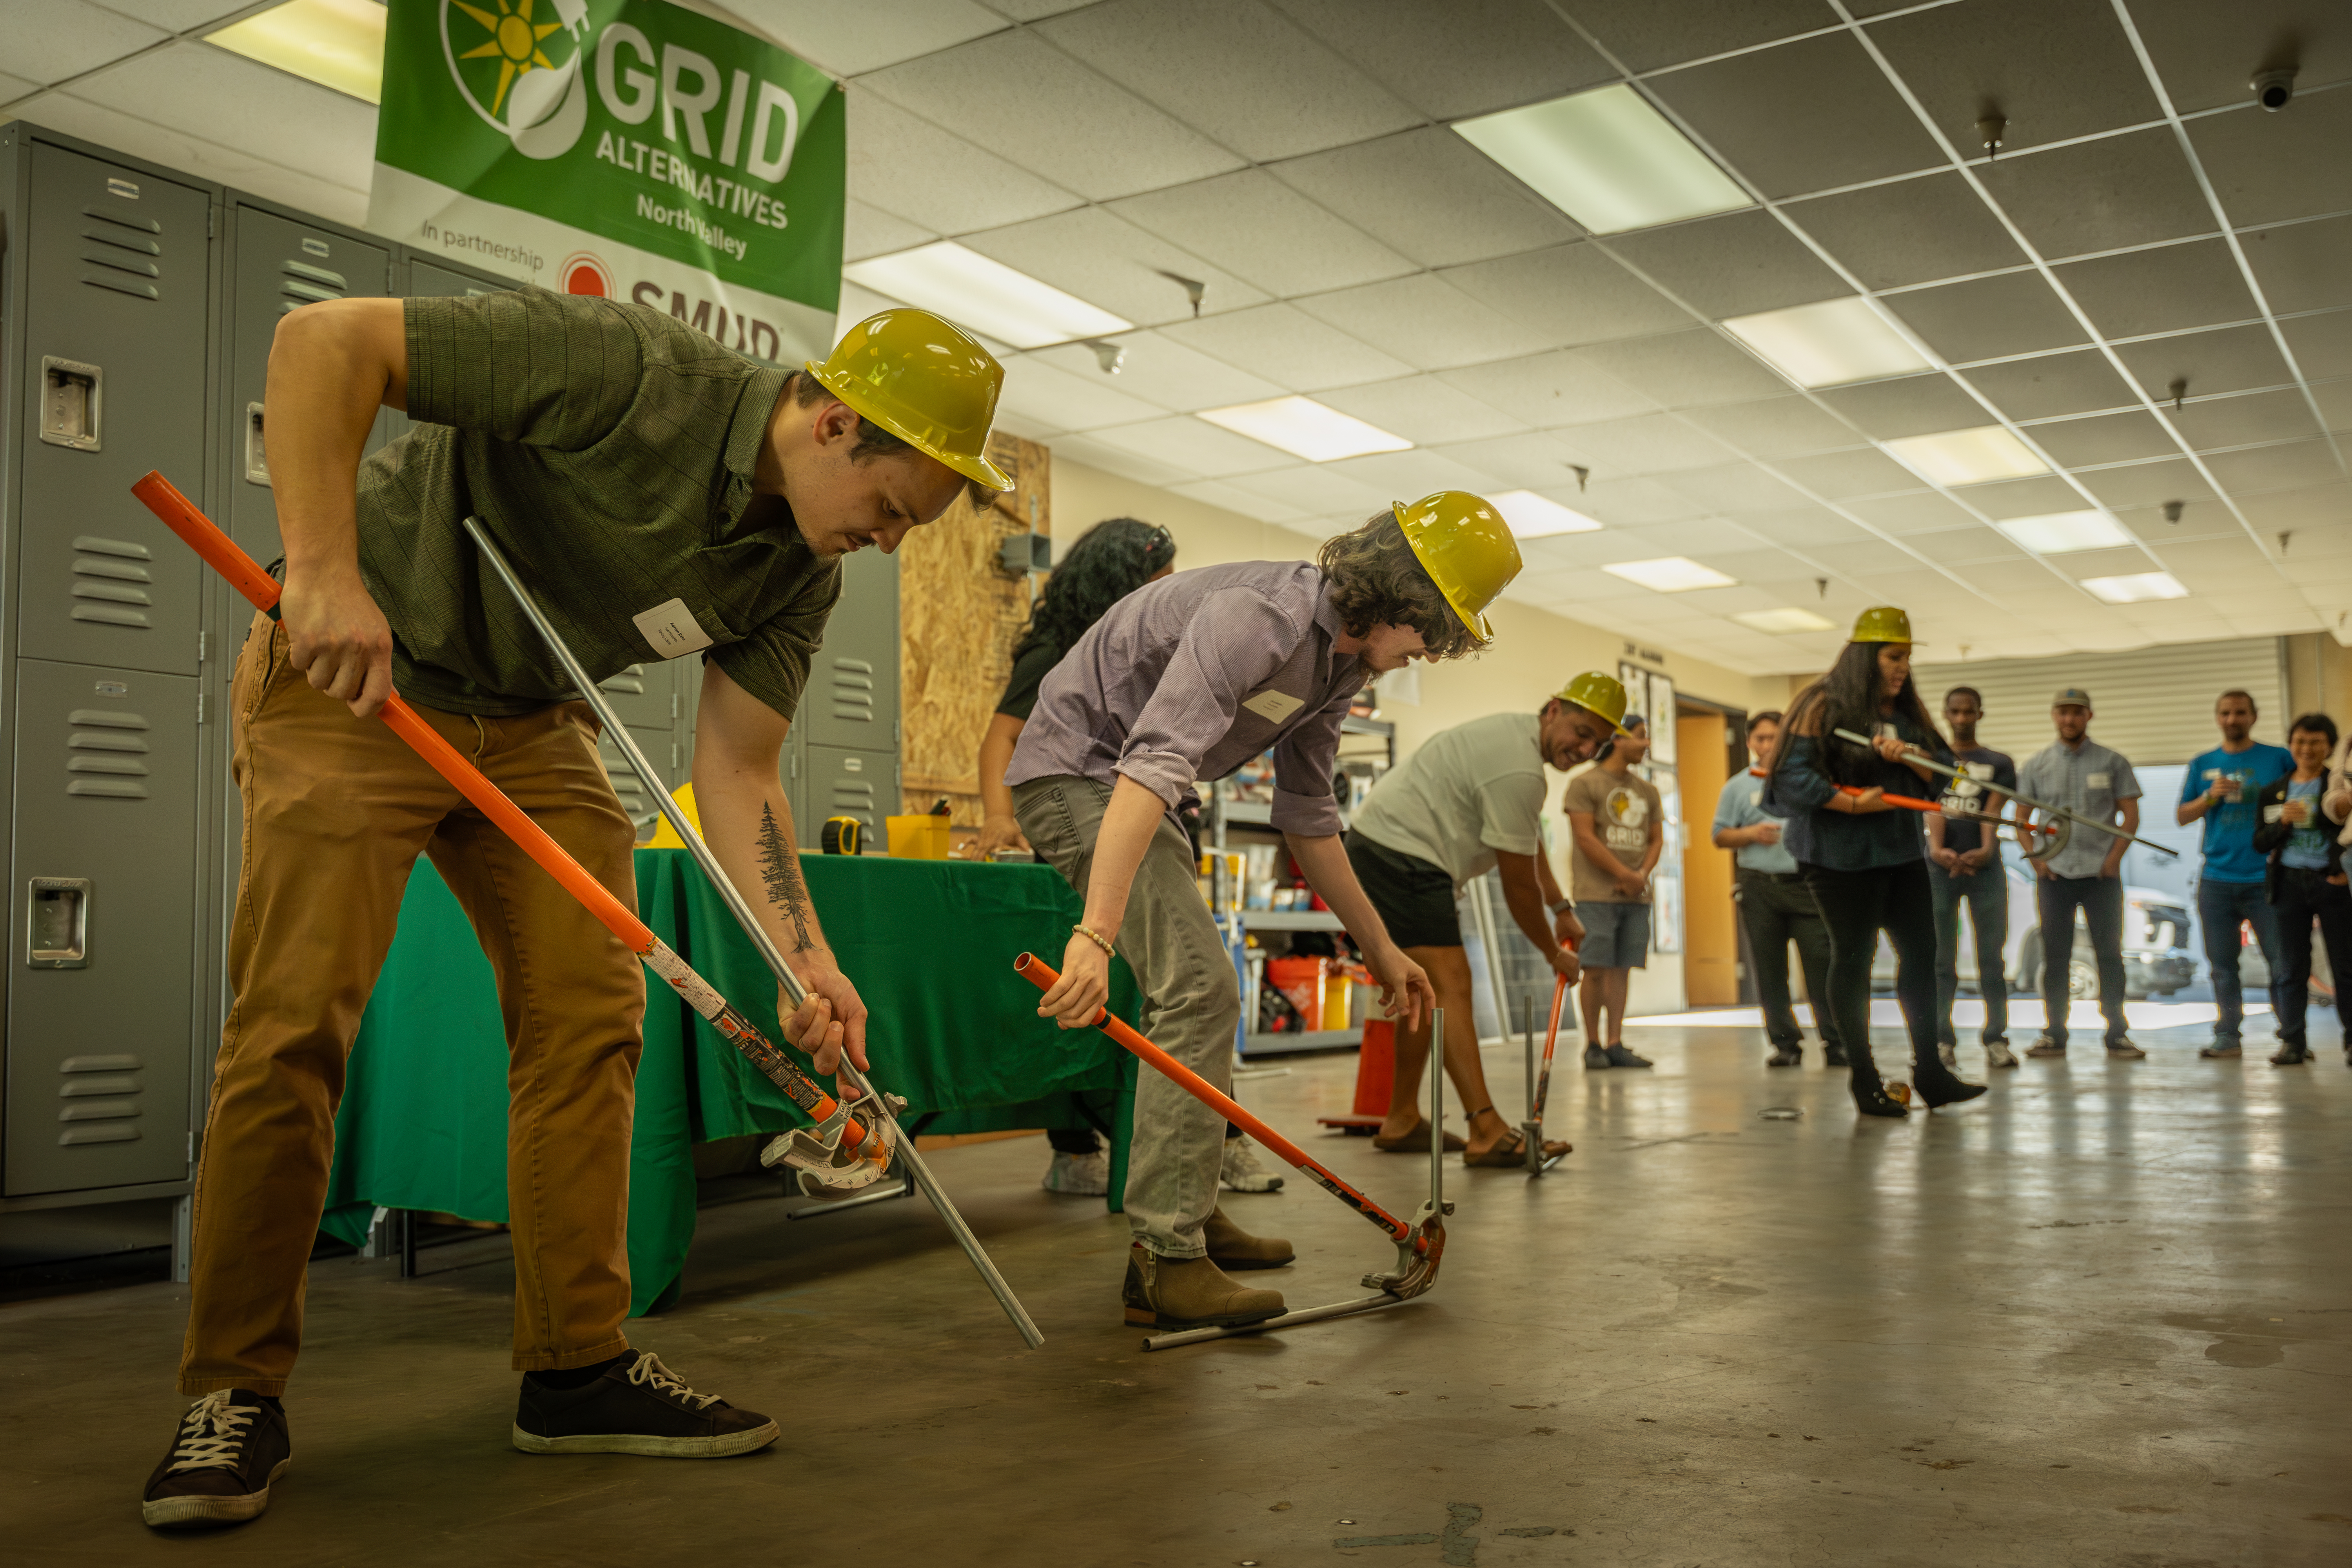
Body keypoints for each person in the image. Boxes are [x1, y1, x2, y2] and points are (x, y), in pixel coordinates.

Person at [141, 293, 1009, 1529]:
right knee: (296, 1022)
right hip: (360, 670)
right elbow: (320, 343)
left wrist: (801, 961)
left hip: (528, 719)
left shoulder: (795, 571)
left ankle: (574, 1366)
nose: (884, 542)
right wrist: (323, 574)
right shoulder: (630, 371)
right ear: (832, 425)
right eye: (888, 510)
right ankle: (230, 1387)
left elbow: (742, 770)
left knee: (593, 1016)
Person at [1013, 492, 1518, 1332]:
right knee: (1202, 986)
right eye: (1435, 629)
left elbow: (1309, 815)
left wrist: (1383, 949)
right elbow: (1153, 763)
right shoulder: (1261, 619)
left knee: (1207, 993)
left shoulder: (1342, 666)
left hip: (1130, 787)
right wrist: (1094, 934)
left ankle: (1191, 1208)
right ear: (1406, 598)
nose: (1429, 649)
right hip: (1081, 775)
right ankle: (1165, 1260)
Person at [969, 517, 1184, 1197]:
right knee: (1084, 994)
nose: (1169, 596)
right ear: (1119, 585)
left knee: (1162, 988)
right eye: (1158, 584)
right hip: (1077, 822)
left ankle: (1181, 1143)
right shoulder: (1060, 651)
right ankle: (1075, 1143)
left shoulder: (1138, 652)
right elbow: (1001, 738)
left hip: (1136, 817)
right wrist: (1000, 820)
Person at [1345, 672, 1626, 1162]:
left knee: (1419, 987)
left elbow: (1524, 839)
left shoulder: (1517, 744)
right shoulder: (1520, 769)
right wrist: (1551, 952)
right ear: (1554, 710)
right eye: (1582, 733)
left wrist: (1561, 908)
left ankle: (1403, 1117)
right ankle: (1486, 1128)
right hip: (1401, 853)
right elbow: (1518, 886)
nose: (1585, 749)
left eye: (1598, 745)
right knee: (1451, 980)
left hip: (1385, 847)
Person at [1764, 607, 1986, 1118]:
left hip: (1898, 851)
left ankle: (1931, 1071)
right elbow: (1789, 777)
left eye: (1907, 657)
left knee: (1923, 954)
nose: (1902, 667)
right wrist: (1850, 803)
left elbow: (1947, 776)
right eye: (1893, 656)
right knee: (1854, 957)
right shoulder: (1820, 705)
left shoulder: (1908, 714)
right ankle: (1864, 1082)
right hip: (1836, 857)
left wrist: (1909, 757)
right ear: (1865, 656)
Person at [1711, 710, 1845, 1068]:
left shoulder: (1807, 780)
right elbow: (1719, 835)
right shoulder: (1737, 786)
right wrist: (1750, 834)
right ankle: (1785, 1045)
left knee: (1821, 964)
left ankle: (1836, 1042)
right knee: (1770, 970)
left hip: (1806, 885)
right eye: (1760, 739)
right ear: (1750, 743)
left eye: (1775, 738)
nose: (1767, 745)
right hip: (1759, 889)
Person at [2018, 688, 2144, 1060]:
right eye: (2063, 713)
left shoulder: (2112, 762)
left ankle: (2117, 1033)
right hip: (2054, 875)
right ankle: (2054, 1032)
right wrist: (2038, 860)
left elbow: (2130, 818)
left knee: (2109, 955)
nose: (2069, 720)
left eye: (2077, 713)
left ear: (2089, 716)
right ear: (2054, 716)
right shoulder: (2036, 765)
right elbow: (2021, 821)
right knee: (2055, 956)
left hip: (2101, 876)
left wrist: (2114, 859)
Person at [2176, 690, 2292, 1060]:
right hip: (2216, 881)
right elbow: (2182, 816)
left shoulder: (2277, 758)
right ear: (2218, 718)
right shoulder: (2202, 764)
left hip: (2265, 879)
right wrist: (2210, 797)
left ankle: (2292, 1037)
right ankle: (2228, 1035)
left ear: (2253, 716)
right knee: (2223, 967)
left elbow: (2300, 798)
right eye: (2225, 713)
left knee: (2282, 963)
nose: (2232, 719)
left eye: (2240, 713)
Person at [1924, 686, 2020, 1071]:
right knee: (1941, 960)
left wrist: (1984, 851)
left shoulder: (1999, 761)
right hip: (1939, 868)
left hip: (1986, 870)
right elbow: (1933, 803)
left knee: (1990, 959)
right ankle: (1942, 1042)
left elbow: (1993, 809)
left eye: (1969, 712)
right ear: (1946, 714)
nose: (1962, 719)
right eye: (1956, 712)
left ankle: (1996, 1039)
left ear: (1980, 714)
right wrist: (1938, 850)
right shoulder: (1931, 759)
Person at [2252, 714, 2351, 1067]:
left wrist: (2340, 870)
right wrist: (2283, 823)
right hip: (2288, 884)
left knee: (2346, 966)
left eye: (2315, 742)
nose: (2306, 749)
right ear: (2290, 745)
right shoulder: (2272, 791)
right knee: (2290, 968)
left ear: (2330, 746)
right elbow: (2259, 843)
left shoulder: (2337, 787)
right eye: (2300, 742)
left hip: (2332, 882)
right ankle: (2293, 1042)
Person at [1564, 715, 1662, 1069]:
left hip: (1636, 897)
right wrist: (1624, 873)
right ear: (1619, 739)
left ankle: (1615, 1042)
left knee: (1622, 968)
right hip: (1596, 895)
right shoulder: (1584, 784)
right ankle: (1592, 1044)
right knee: (1595, 968)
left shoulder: (1647, 791)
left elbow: (1657, 839)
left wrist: (1641, 875)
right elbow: (1586, 838)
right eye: (1641, 737)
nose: (1646, 744)